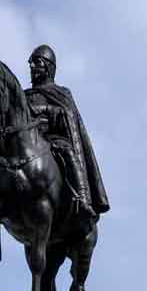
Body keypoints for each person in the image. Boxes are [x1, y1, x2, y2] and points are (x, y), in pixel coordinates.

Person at [26, 44, 110, 226]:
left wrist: (45, 110)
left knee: (68, 152)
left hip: (52, 141)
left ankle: (82, 199)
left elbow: (67, 115)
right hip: (28, 143)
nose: (32, 66)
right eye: (31, 63)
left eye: (37, 62)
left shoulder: (61, 93)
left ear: (48, 67)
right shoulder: (24, 95)